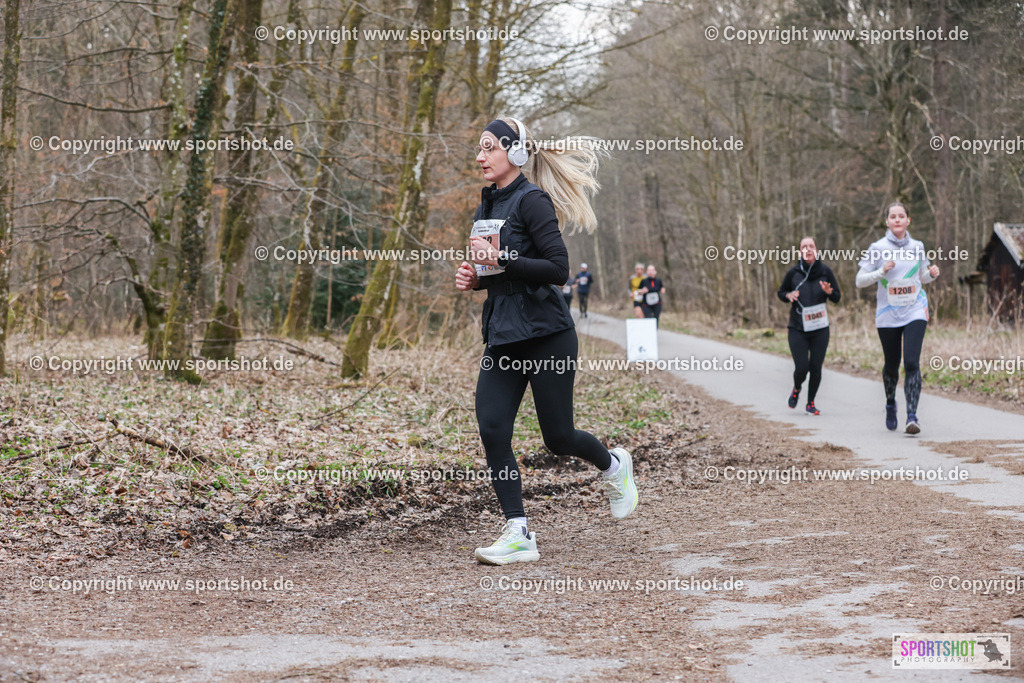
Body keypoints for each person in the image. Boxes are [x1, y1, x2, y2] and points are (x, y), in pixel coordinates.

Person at [454, 116, 638, 565]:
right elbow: (499, 269)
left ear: (515, 153)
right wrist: (476, 278)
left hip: (547, 334)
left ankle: (613, 466)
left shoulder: (533, 201)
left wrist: (504, 259)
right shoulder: (487, 205)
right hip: (503, 335)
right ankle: (518, 531)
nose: (480, 156)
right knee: (493, 427)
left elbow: (557, 269)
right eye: (479, 149)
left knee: (558, 438)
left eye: (489, 147)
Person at [855, 201, 940, 434]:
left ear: (908, 220)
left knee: (911, 362)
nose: (897, 220)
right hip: (887, 313)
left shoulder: (918, 246)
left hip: (915, 310)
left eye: (901, 216)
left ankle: (912, 416)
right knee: (892, 365)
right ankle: (890, 403)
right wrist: (881, 271)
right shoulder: (877, 248)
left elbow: (922, 276)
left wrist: (931, 274)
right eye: (893, 217)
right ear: (887, 222)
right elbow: (859, 281)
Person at [777, 237, 841, 416]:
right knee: (802, 367)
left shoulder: (826, 272)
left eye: (811, 246)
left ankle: (810, 403)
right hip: (797, 328)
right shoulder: (794, 273)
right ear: (800, 252)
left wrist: (830, 292)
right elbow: (781, 292)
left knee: (816, 367)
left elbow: (837, 297)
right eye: (804, 247)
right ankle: (797, 388)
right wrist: (789, 295)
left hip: (820, 328)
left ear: (816, 250)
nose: (808, 249)